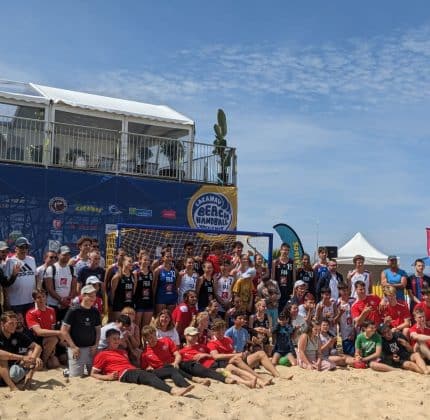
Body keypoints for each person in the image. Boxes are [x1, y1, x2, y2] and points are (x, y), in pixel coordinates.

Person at [91, 328, 193, 396]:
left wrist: (147, 366)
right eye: (114, 339)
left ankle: (185, 385)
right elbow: (93, 373)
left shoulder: (122, 351)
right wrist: (107, 377)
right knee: (148, 377)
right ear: (107, 340)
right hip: (124, 373)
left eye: (118, 339)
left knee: (170, 369)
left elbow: (131, 363)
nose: (117, 341)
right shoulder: (102, 354)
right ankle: (173, 391)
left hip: (135, 370)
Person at [179, 326, 255, 387]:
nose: (195, 337)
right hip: (208, 368)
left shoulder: (202, 346)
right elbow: (186, 366)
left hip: (215, 362)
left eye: (196, 335)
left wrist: (204, 354)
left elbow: (213, 355)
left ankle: (254, 379)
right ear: (186, 336)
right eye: (192, 335)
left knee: (233, 368)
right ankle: (246, 383)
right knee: (226, 372)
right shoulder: (182, 352)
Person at [208, 319, 275, 387]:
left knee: (261, 353)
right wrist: (235, 354)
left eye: (222, 330)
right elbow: (215, 356)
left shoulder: (227, 339)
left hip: (237, 361)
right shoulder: (212, 342)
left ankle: (278, 375)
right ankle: (260, 378)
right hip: (227, 363)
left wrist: (242, 354)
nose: (221, 332)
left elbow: (233, 351)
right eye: (218, 331)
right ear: (213, 331)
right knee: (236, 358)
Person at [141, 325, 210, 386]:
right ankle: (191, 381)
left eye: (154, 335)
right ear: (146, 339)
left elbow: (177, 354)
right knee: (172, 368)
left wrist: (176, 362)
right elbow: (145, 368)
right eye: (150, 337)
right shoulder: (145, 353)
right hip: (162, 370)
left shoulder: (166, 340)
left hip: (174, 364)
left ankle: (202, 377)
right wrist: (148, 368)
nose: (153, 339)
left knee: (188, 364)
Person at [60, 285, 101, 377]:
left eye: (94, 295)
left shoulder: (95, 311)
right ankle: (68, 371)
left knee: (96, 373)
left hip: (91, 349)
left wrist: (96, 345)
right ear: (83, 296)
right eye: (90, 295)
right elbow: (64, 330)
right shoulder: (73, 310)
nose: (93, 298)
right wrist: (73, 347)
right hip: (77, 349)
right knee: (76, 376)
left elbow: (98, 330)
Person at [225, 312, 280, 378]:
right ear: (234, 320)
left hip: (243, 357)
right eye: (240, 318)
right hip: (234, 359)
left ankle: (277, 375)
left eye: (243, 319)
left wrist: (255, 341)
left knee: (261, 353)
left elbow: (247, 343)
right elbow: (226, 347)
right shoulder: (229, 332)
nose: (243, 320)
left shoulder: (244, 331)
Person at [0, 311, 42, 390]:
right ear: (2, 324)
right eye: (11, 323)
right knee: (2, 359)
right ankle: (13, 388)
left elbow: (38, 347)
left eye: (15, 323)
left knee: (33, 355)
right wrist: (22, 357)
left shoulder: (17, 334)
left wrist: (33, 359)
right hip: (2, 371)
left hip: (12, 370)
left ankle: (28, 381)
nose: (14, 326)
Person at [25, 289, 66, 368]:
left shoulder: (51, 310)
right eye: (38, 297)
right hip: (37, 340)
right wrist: (58, 333)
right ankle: (43, 361)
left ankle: (49, 357)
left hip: (49, 340)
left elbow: (52, 328)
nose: (42, 299)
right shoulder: (31, 313)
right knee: (55, 338)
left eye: (43, 296)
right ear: (34, 299)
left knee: (56, 363)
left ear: (46, 297)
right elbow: (39, 332)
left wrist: (54, 345)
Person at [3, 237, 37, 315]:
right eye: (21, 247)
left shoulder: (32, 260)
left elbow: (35, 277)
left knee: (29, 326)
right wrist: (6, 299)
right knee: (18, 326)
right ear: (16, 248)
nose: (24, 249)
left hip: (30, 300)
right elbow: (5, 284)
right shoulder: (10, 261)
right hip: (15, 302)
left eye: (26, 247)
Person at [44, 245, 77, 322]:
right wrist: (61, 300)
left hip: (67, 305)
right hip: (53, 305)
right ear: (58, 255)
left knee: (66, 327)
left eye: (68, 254)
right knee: (53, 327)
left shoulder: (72, 269)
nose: (67, 256)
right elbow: (49, 289)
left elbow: (74, 288)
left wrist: (68, 300)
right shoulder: (51, 268)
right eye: (64, 254)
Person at [153, 250, 178, 315]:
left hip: (172, 298)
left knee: (170, 318)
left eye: (170, 256)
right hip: (161, 297)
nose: (169, 258)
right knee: (159, 318)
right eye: (167, 256)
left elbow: (176, 286)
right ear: (163, 258)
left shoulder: (175, 270)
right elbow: (154, 286)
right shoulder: (158, 270)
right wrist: (153, 298)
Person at [272, 243, 294, 313]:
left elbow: (294, 279)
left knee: (287, 310)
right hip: (278, 289)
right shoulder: (275, 262)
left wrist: (293, 292)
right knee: (277, 309)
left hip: (288, 289)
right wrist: (273, 291)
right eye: (284, 250)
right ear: (280, 250)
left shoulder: (292, 262)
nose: (285, 252)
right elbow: (272, 278)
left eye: (287, 250)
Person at [133, 253, 154, 329]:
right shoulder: (136, 273)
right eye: (145, 260)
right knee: (136, 327)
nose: (146, 262)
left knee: (146, 328)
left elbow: (153, 288)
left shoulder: (152, 273)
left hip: (149, 302)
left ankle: (144, 341)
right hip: (139, 302)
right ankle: (137, 341)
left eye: (148, 260)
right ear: (140, 260)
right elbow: (133, 290)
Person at [336, 282, 356, 356]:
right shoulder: (337, 303)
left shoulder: (354, 300)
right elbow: (336, 320)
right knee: (350, 354)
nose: (344, 292)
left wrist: (354, 331)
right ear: (339, 291)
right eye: (342, 290)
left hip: (355, 331)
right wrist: (340, 313)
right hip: (345, 334)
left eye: (346, 290)